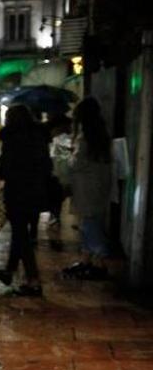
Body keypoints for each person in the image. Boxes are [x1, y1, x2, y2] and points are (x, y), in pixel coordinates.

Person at [0, 105, 51, 296]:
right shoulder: (39, 137)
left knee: (21, 235)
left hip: (17, 192)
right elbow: (46, 165)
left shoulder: (12, 138)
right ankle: (10, 271)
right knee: (20, 233)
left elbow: (8, 167)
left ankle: (33, 280)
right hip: (36, 192)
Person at [63, 97, 112, 280]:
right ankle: (87, 261)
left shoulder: (85, 139)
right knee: (90, 224)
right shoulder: (101, 136)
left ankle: (99, 264)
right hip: (98, 187)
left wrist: (69, 156)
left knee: (90, 226)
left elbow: (75, 164)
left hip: (87, 188)